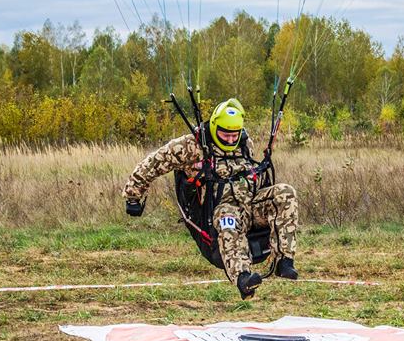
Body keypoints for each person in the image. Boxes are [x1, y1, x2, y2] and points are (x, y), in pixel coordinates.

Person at [123, 99, 300, 300]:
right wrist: (133, 195)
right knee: (228, 217)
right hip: (219, 210)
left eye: (235, 135)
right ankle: (243, 277)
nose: (231, 140)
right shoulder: (191, 145)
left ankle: (284, 260)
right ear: (215, 127)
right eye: (225, 134)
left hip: (251, 204)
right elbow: (154, 163)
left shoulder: (244, 143)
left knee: (285, 192)